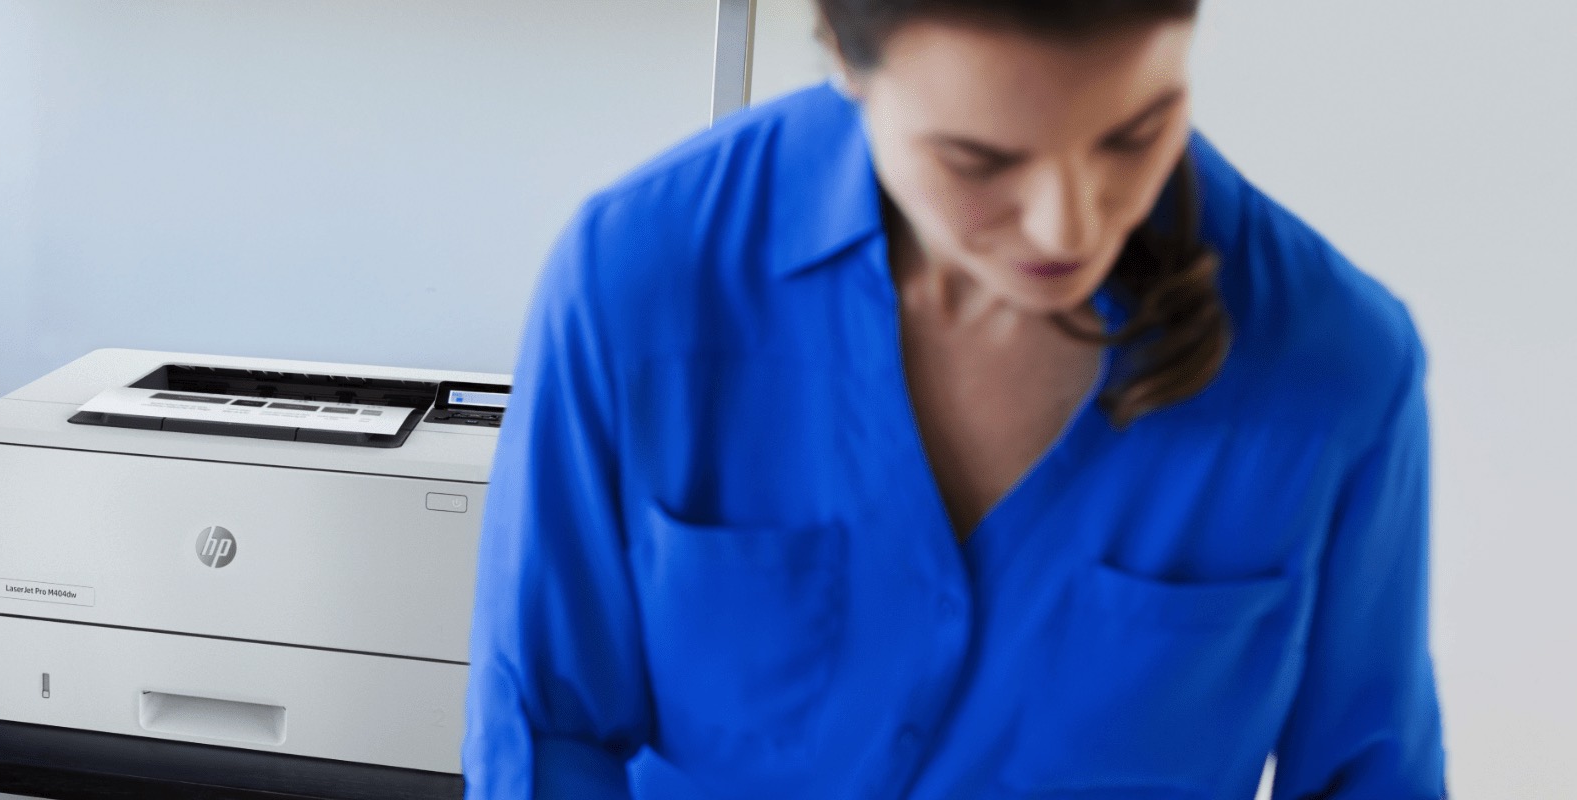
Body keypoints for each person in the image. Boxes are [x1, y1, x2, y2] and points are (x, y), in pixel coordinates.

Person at [463, 0, 1446, 796]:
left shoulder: (1340, 364)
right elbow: (544, 731)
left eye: (1133, 134)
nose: (1069, 222)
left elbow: (1371, 775)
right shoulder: (638, 278)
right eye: (980, 160)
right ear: (842, 55)